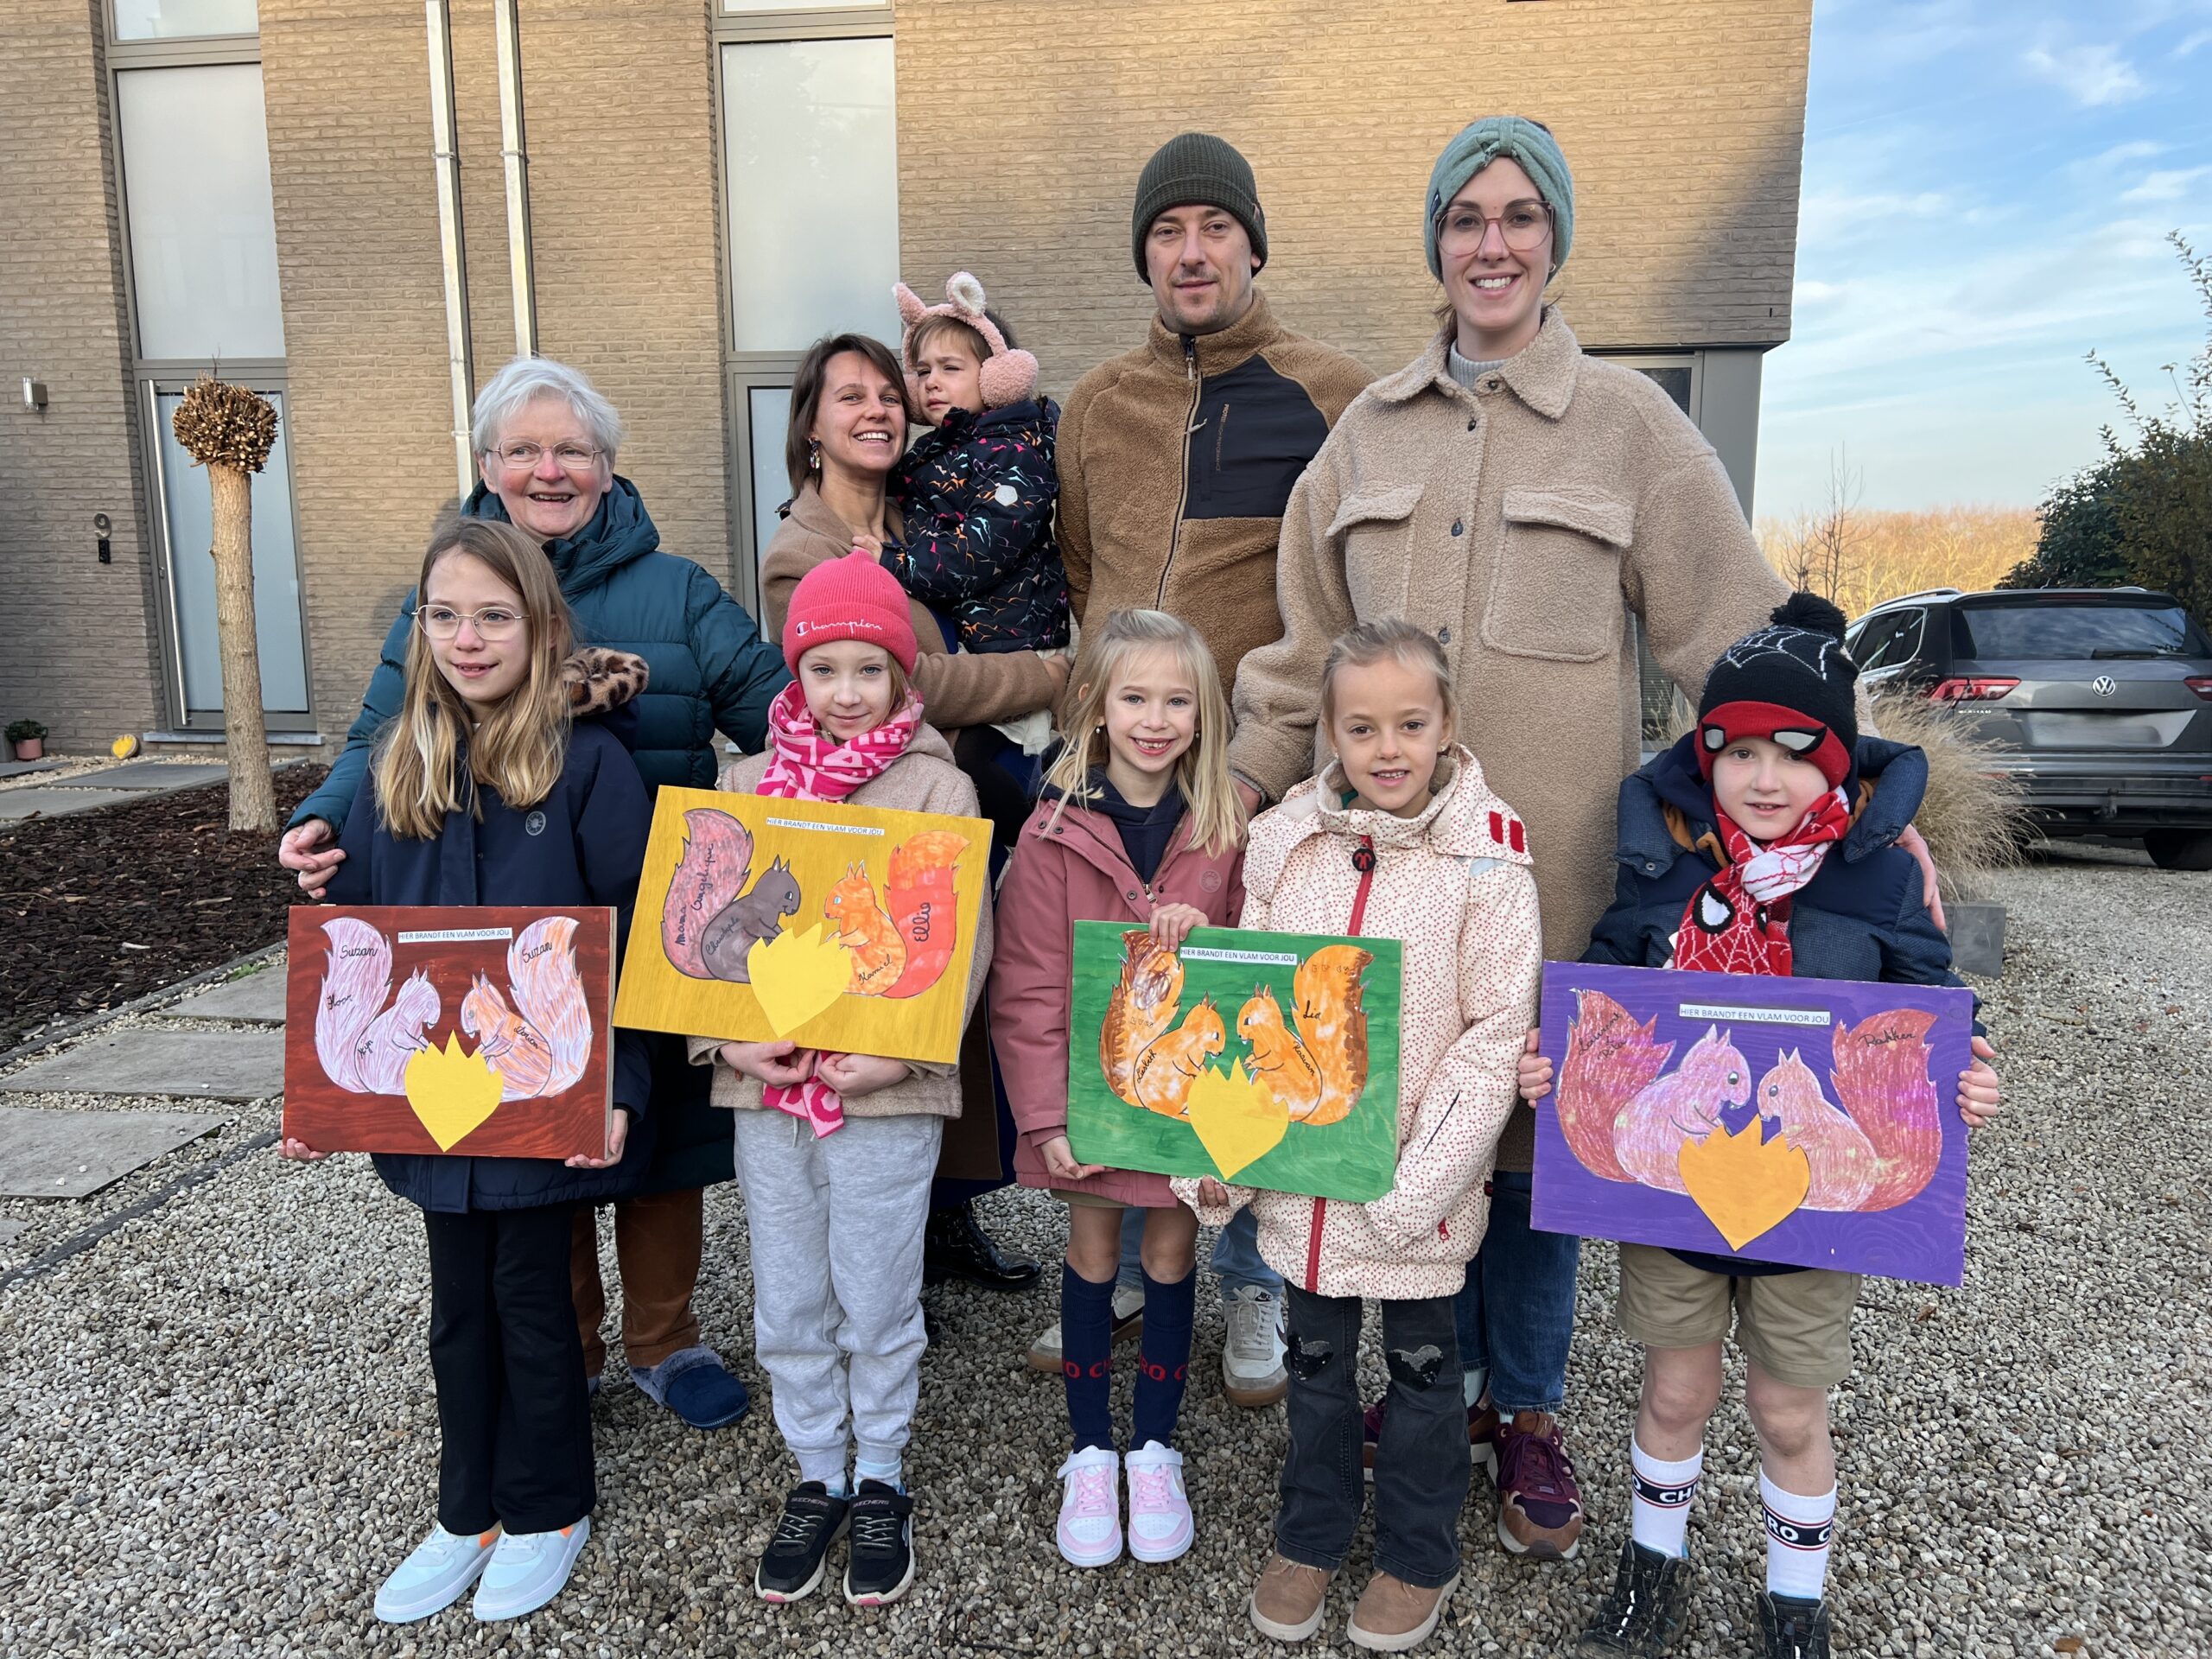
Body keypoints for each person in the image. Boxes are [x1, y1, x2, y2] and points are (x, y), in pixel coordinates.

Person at [1229, 115, 1911, 1554]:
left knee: (1537, 1148)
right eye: (1465, 217)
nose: (1492, 243)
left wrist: (1862, 804)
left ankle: (1526, 1408)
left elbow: (1741, 640)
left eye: (1519, 216)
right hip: (1382, 889)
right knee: (1404, 1117)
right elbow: (1300, 652)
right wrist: (1234, 796)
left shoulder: (1633, 428)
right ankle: (1430, 1383)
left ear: (1554, 241)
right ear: (1436, 243)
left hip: (1555, 879)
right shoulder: (1365, 437)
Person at [281, 356, 783, 1430]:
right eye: (523, 450)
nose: (547, 470)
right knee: (528, 1124)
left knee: (658, 1140)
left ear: (607, 465)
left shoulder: (679, 590)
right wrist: (324, 817)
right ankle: (572, 1343)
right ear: (487, 464)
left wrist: (864, 790)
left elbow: (776, 713)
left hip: (648, 904)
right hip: (507, 903)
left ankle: (665, 1338)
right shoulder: (446, 589)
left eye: (570, 450)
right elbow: (379, 732)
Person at [1518, 595, 2003, 1659]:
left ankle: (1795, 1600)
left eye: (1795, 753)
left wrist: (1965, 1073)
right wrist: (1561, 1060)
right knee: (1673, 1391)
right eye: (1738, 751)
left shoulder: (1880, 875)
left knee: (1788, 1411)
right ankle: (1653, 1568)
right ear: (1706, 757)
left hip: (1810, 1212)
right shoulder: (1663, 864)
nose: (1765, 777)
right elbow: (1606, 990)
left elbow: (1931, 1005)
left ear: (1836, 764)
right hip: (1676, 1198)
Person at [1041, 131, 1373, 1402]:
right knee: (1124, 994)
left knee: (1243, 1018)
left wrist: (1274, 748)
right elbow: (1083, 570)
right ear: (1145, 257)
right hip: (1112, 760)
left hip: (1252, 771)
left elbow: (1344, 589)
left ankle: (1248, 1285)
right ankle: (1125, 1252)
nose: (1191, 252)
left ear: (1253, 246)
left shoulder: (1332, 393)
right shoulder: (1096, 403)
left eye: (1214, 228)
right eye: (1167, 233)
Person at [277, 516, 654, 1624]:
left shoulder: (588, 763)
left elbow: (634, 936)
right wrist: (318, 1092)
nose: (468, 638)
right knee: (457, 1312)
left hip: (538, 1089)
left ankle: (548, 1507)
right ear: (421, 629)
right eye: (445, 616)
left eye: (493, 616)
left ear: (539, 627)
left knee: (533, 1303)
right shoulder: (396, 761)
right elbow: (361, 944)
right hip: (429, 1103)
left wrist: (624, 1084)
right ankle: (467, 1510)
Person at [1183, 620, 1541, 1653]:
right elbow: (1248, 1006)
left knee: (1425, 1379)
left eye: (1410, 725)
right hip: (1304, 1184)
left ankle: (1418, 1552)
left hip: (1414, 1188)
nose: (1388, 749)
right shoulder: (1287, 843)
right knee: (1316, 1369)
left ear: (1446, 724)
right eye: (1362, 728)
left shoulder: (1486, 861)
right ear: (1330, 732)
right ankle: (1311, 1533)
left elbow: (1490, 1040)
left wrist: (1415, 1187)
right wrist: (1222, 1159)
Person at [691, 551, 992, 1610]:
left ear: (902, 676)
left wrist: (906, 1050)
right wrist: (723, 1043)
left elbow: (963, 939)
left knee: (876, 1286)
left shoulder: (938, 786)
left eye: (870, 669)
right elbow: (702, 931)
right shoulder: (741, 785)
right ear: (797, 674)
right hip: (767, 1090)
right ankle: (817, 1467)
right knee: (787, 1288)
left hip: (884, 1092)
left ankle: (881, 1475)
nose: (848, 691)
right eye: (825, 669)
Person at [760, 333, 1065, 1297]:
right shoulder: (802, 551)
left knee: (959, 1000)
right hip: (871, 814)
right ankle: (883, 1255)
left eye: (888, 394)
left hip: (959, 794)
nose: (878, 410)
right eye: (850, 397)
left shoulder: (930, 510)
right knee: (883, 1001)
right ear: (811, 426)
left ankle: (943, 1215)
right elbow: (912, 680)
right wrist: (1057, 671)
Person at [989, 610, 1248, 1569]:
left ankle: (1155, 1450)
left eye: (1177, 700)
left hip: (1184, 1106)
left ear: (1203, 714)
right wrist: (1044, 1117)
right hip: (1090, 1105)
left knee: (1173, 1258)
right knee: (1094, 1255)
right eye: (1135, 698)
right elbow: (1025, 989)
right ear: (1098, 707)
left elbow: (1257, 972)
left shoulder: (1225, 829)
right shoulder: (1051, 832)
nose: (1155, 719)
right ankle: (1091, 1451)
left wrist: (1211, 939)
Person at [887, 270, 1071, 851]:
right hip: (976, 648)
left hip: (1017, 648)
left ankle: (1035, 865)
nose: (932, 383)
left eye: (950, 368)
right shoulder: (935, 452)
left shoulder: (1016, 451)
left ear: (996, 375)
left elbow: (977, 553)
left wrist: (893, 563)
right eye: (922, 371)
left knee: (988, 786)